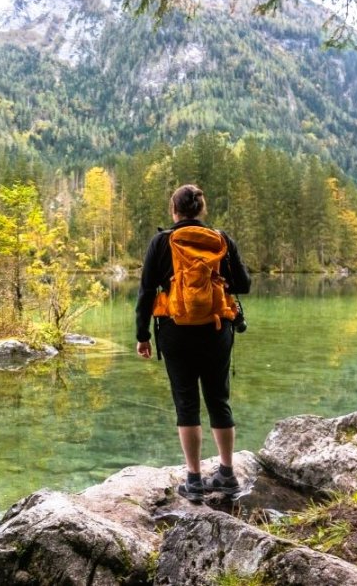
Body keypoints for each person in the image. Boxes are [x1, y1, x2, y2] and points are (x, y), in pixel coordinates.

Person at [135, 184, 251, 502]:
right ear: (201, 209)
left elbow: (146, 292)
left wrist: (142, 335)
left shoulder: (161, 242)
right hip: (217, 328)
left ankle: (194, 479)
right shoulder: (220, 240)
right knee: (218, 400)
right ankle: (227, 474)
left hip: (175, 331)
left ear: (174, 210)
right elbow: (243, 284)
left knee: (186, 403)